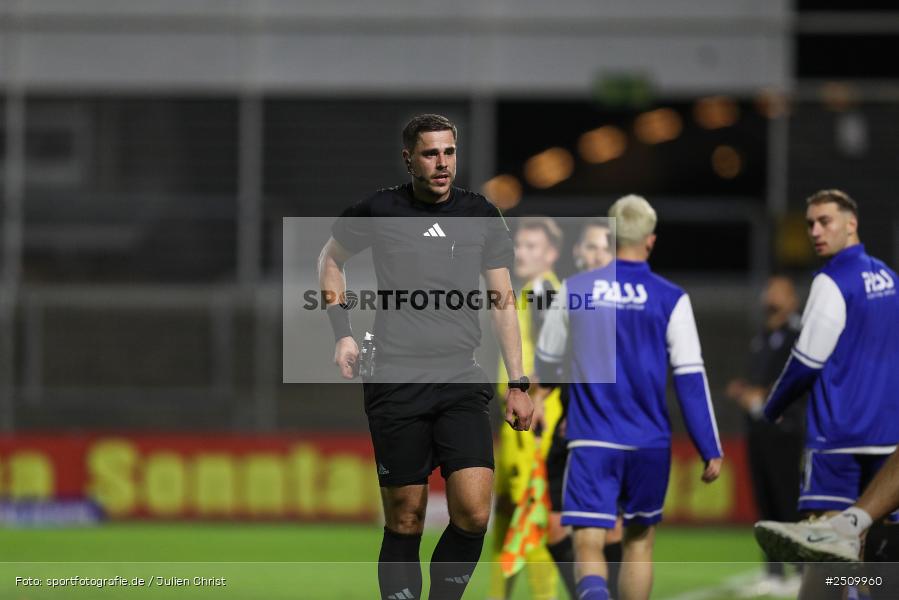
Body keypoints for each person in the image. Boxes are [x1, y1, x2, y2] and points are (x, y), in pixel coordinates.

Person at [317, 114, 534, 600]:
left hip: (460, 378)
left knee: (475, 513)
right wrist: (342, 334)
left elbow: (502, 301)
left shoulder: (480, 214)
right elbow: (330, 260)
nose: (442, 163)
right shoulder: (378, 209)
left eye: (449, 152)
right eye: (432, 153)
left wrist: (519, 382)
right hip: (395, 381)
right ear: (409, 158)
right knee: (406, 518)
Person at [535, 195, 723, 600]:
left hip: (591, 441)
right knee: (639, 545)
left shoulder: (575, 289)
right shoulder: (671, 297)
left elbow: (546, 365)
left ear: (612, 235)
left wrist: (533, 399)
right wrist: (709, 446)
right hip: (649, 444)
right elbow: (691, 378)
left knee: (587, 544)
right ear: (650, 241)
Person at [753, 189, 899, 600]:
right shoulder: (890, 278)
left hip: (839, 438)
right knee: (877, 554)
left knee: (824, 550)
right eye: (810, 224)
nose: (815, 231)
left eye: (825, 221)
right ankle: (857, 593)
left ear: (851, 224)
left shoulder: (833, 280)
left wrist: (772, 408)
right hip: (890, 443)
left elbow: (807, 360)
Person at [530, 218, 620, 600]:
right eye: (590, 246)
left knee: (610, 529)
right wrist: (536, 397)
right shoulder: (570, 298)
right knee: (555, 527)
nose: (595, 253)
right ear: (578, 253)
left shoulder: (622, 304)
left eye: (604, 247)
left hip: (606, 429)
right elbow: (553, 364)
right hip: (569, 426)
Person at [489, 216, 565, 600]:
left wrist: (529, 390)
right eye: (520, 244)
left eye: (533, 246)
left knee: (532, 518)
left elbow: (561, 360)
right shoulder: (529, 292)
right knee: (505, 513)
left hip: (533, 422)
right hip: (516, 422)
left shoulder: (544, 293)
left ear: (551, 253)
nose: (522, 252)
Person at [725, 275, 804, 597]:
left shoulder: (796, 336)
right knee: (766, 502)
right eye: (769, 290)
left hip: (787, 431)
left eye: (779, 291)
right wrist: (745, 391)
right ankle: (773, 572)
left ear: (792, 299)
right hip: (759, 431)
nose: (770, 296)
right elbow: (758, 380)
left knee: (788, 502)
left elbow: (798, 379)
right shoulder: (762, 337)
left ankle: (801, 569)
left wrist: (760, 394)